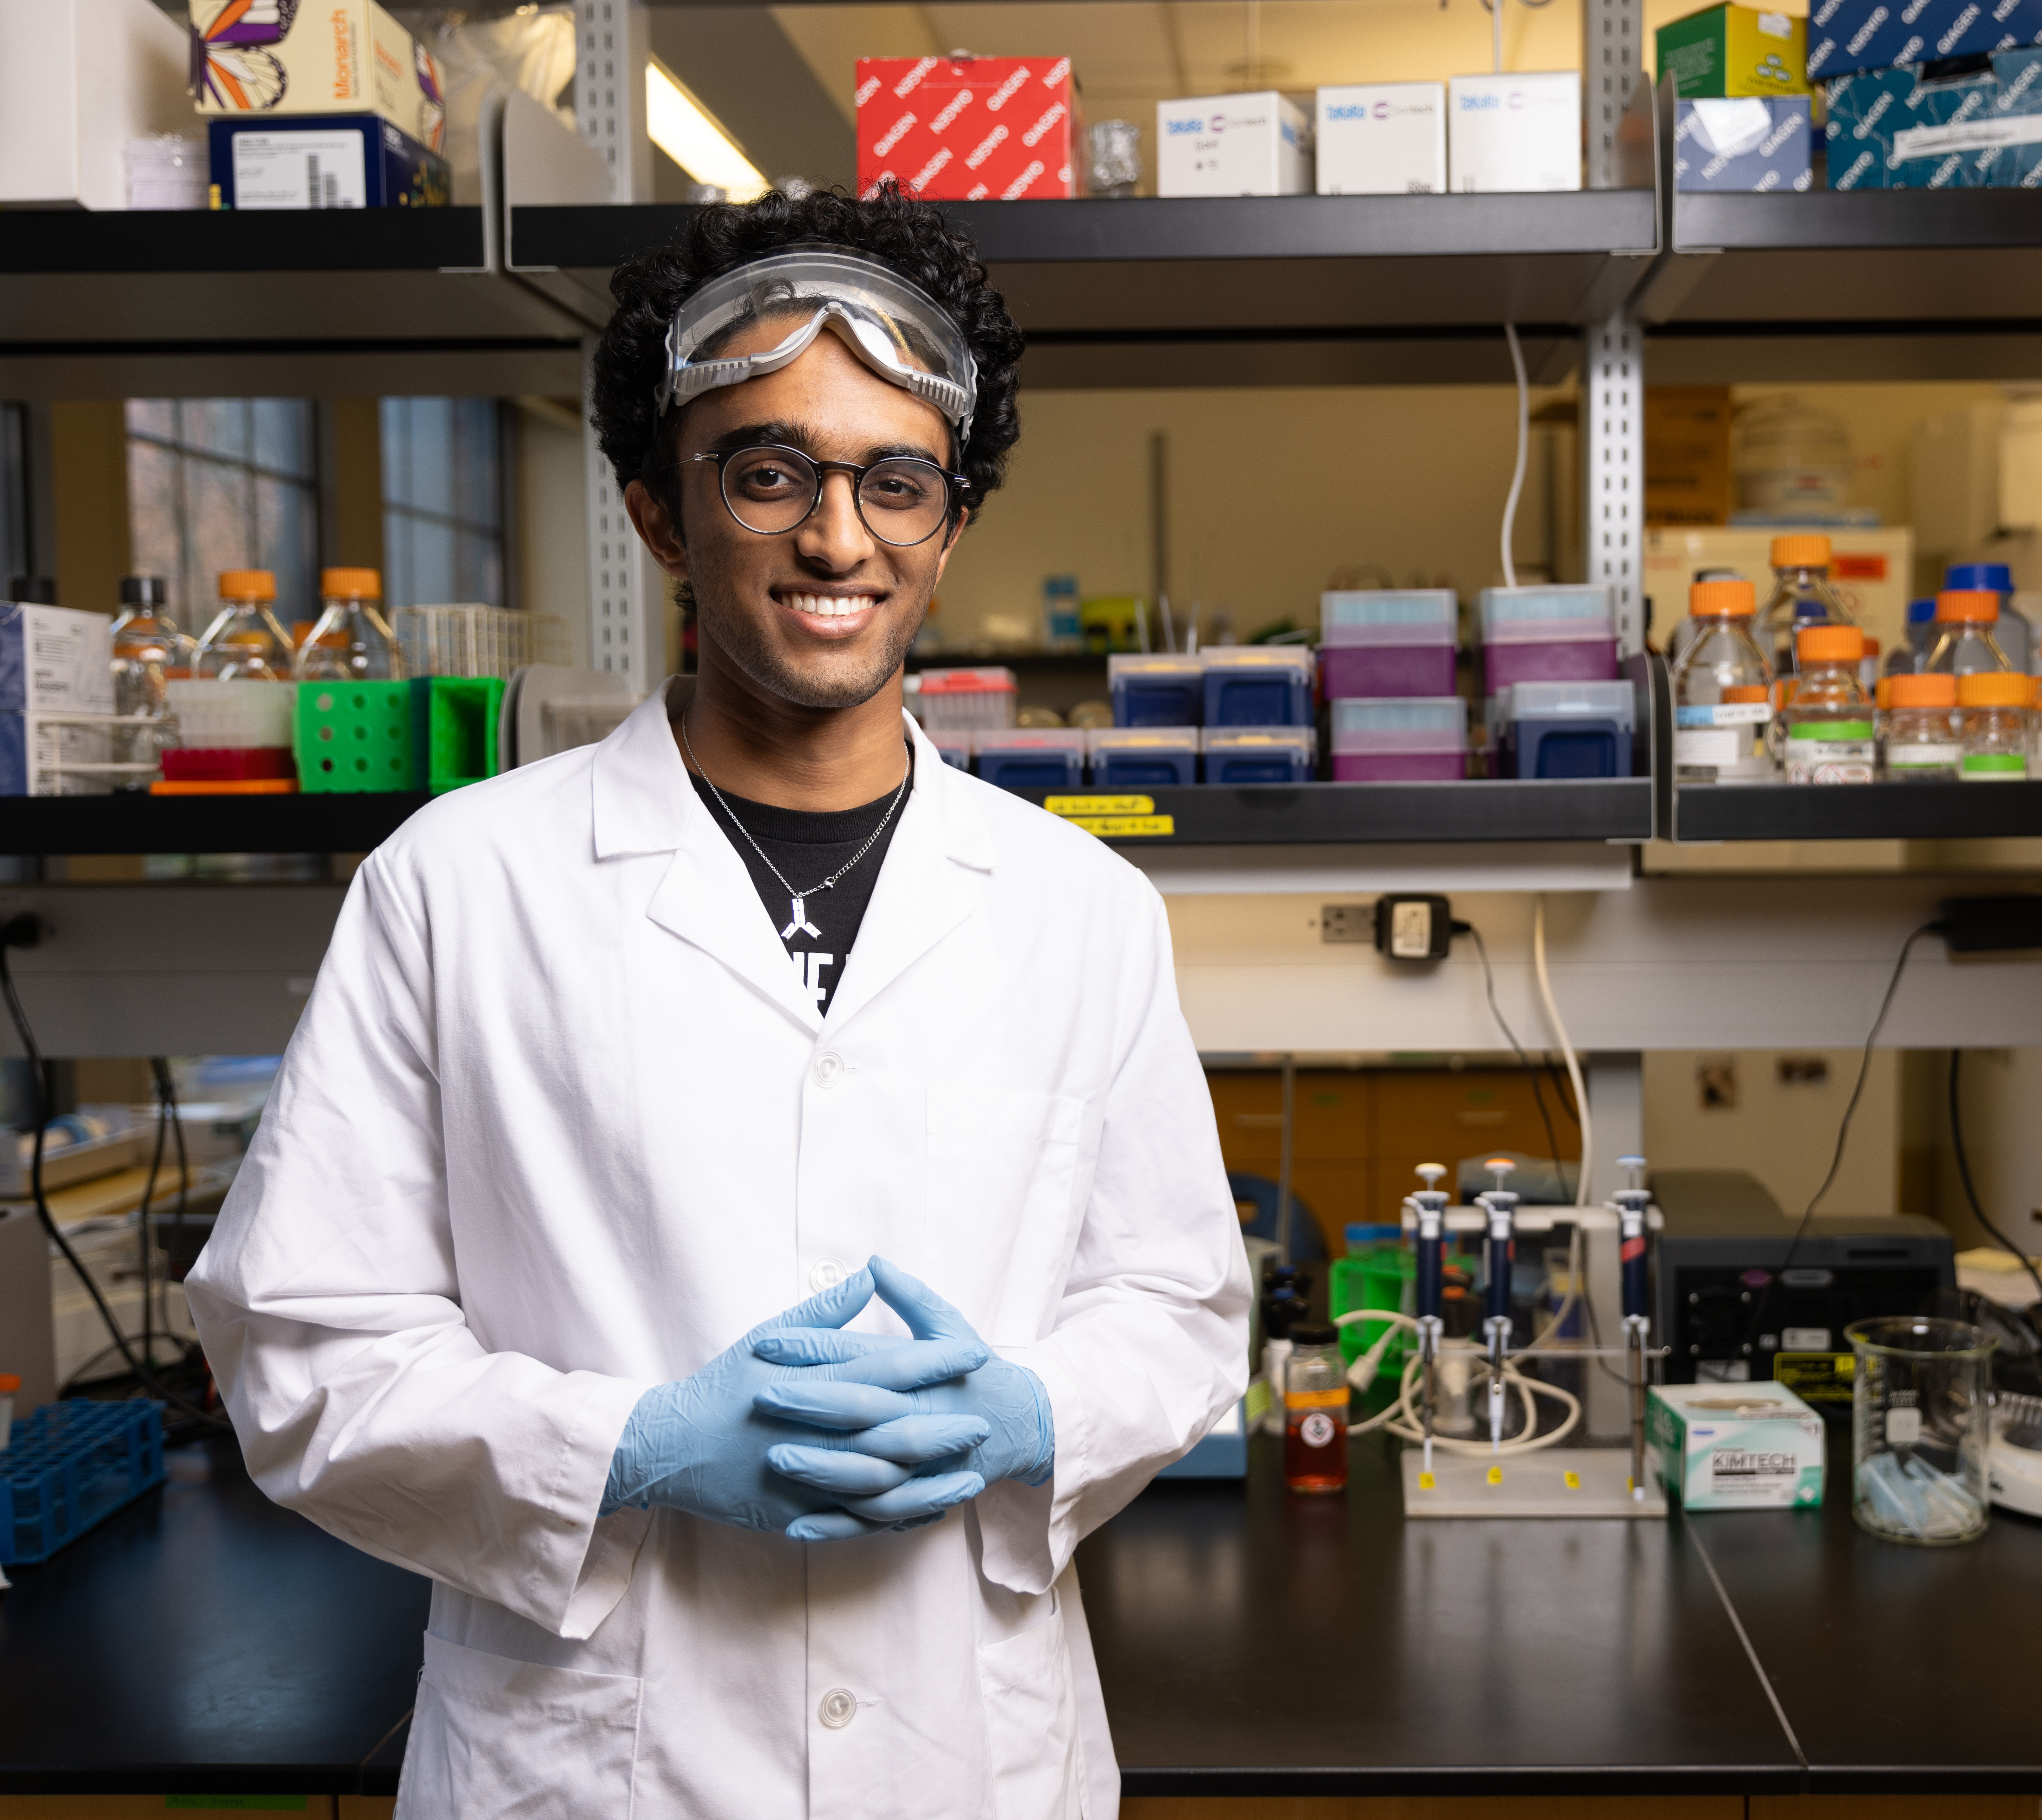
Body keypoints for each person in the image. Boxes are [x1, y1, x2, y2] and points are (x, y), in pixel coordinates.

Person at [188, 188, 1250, 1819]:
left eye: (896, 481)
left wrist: (1034, 1408)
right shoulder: (458, 885)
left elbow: (1177, 1307)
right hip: (595, 1763)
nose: (840, 539)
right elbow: (305, 1353)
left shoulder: (1079, 909)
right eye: (771, 474)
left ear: (947, 526)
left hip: (967, 1756)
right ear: (663, 516)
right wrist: (628, 1446)